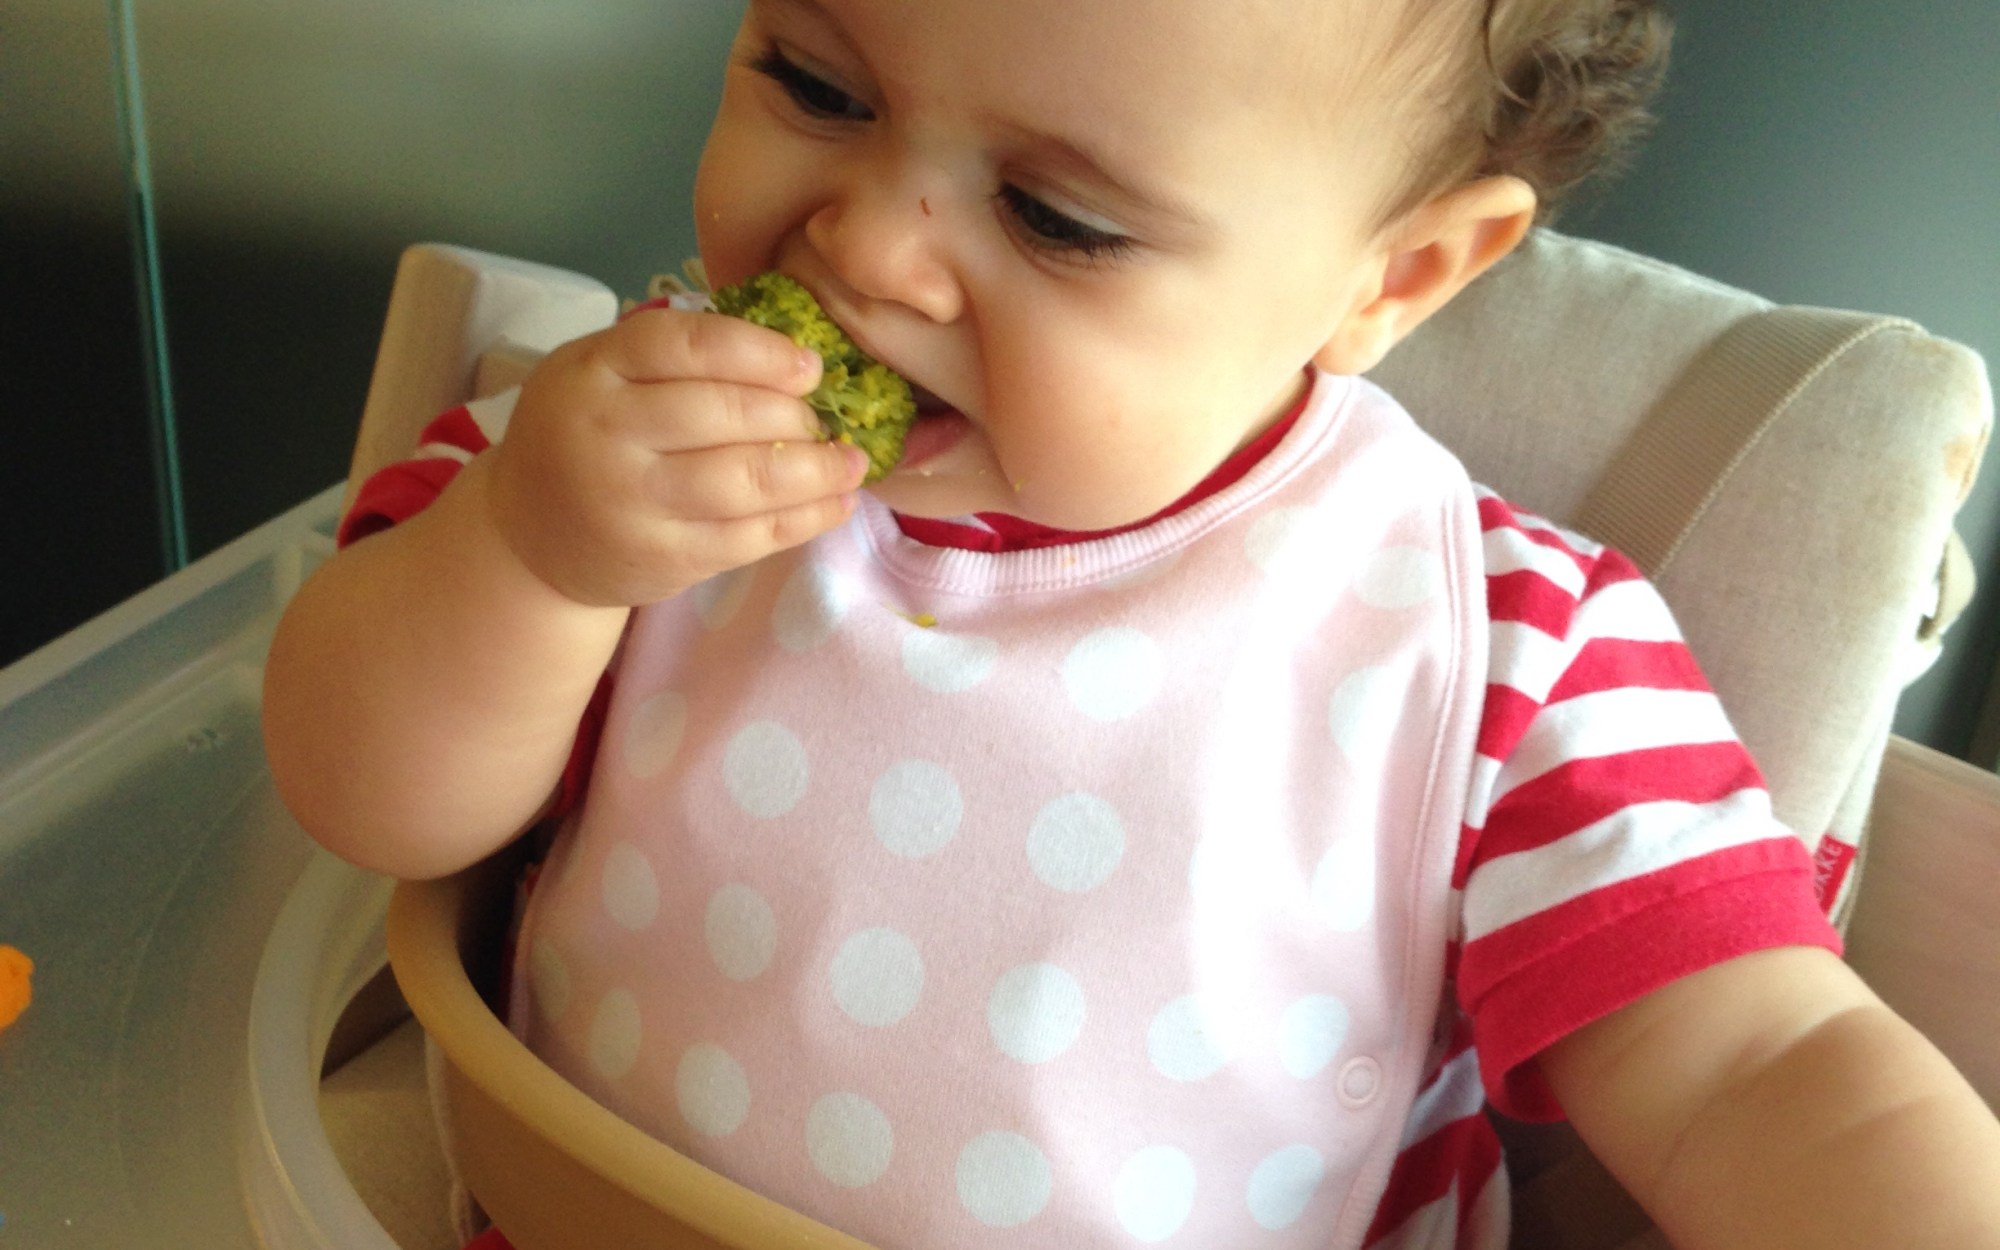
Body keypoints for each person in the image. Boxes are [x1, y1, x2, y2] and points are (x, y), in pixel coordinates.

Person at [263, 0, 2000, 1245]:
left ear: (1390, 279)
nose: (866, 250)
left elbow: (1758, 1063)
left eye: (1058, 217)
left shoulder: (1505, 653)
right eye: (815, 82)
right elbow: (365, 799)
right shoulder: (614, 453)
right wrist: (532, 555)